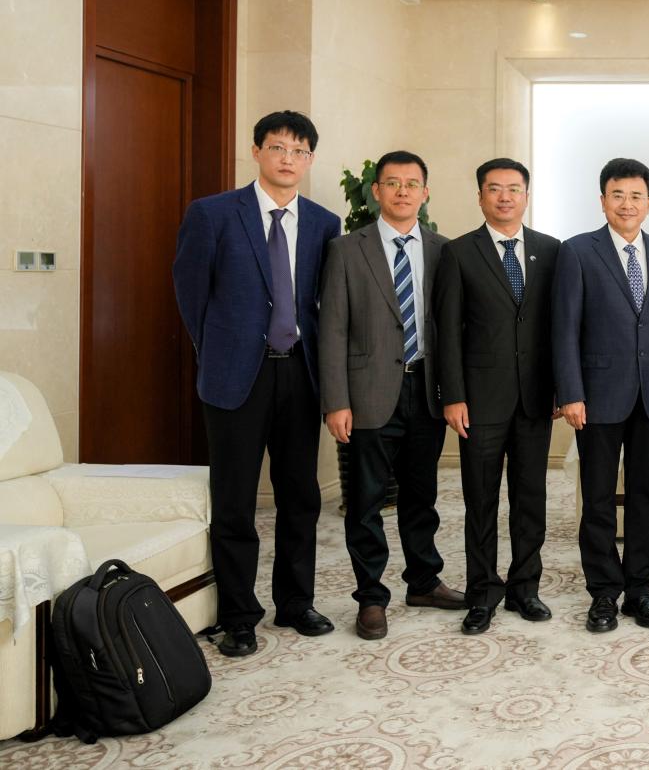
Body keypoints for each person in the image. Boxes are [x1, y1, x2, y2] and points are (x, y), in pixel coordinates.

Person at [172, 109, 341, 657]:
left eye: (298, 151)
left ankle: (296, 603)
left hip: (300, 373)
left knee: (300, 496)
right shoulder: (214, 214)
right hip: (235, 376)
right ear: (257, 152)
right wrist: (220, 348)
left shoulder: (323, 222)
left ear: (310, 160)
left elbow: (321, 302)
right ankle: (239, 615)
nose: (287, 159)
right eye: (277, 148)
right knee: (236, 499)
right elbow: (191, 294)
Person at [319, 150, 466, 641]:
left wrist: (454, 391)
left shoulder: (444, 250)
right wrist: (336, 400)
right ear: (376, 192)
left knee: (421, 497)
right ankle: (370, 598)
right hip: (366, 394)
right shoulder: (346, 249)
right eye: (392, 183)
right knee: (365, 501)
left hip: (424, 389)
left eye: (412, 183)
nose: (403, 191)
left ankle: (423, 581)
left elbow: (451, 327)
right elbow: (333, 329)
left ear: (425, 193)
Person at [554, 158, 649, 633]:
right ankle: (603, 592)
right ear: (603, 200)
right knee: (597, 498)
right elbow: (564, 331)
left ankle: (641, 589)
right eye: (618, 195)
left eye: (637, 196)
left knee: (644, 495)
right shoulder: (577, 252)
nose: (627, 204)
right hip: (595, 397)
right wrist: (570, 392)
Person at [434, 158, 562, 635]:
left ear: (527, 195)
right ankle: (483, 593)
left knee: (531, 498)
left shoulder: (551, 251)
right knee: (480, 500)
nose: (505, 197)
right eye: (495, 189)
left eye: (514, 189)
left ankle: (525, 589)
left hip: (535, 399)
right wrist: (453, 395)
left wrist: (560, 388)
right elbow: (447, 329)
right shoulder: (459, 252)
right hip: (479, 400)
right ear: (481, 196)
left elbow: (558, 329)